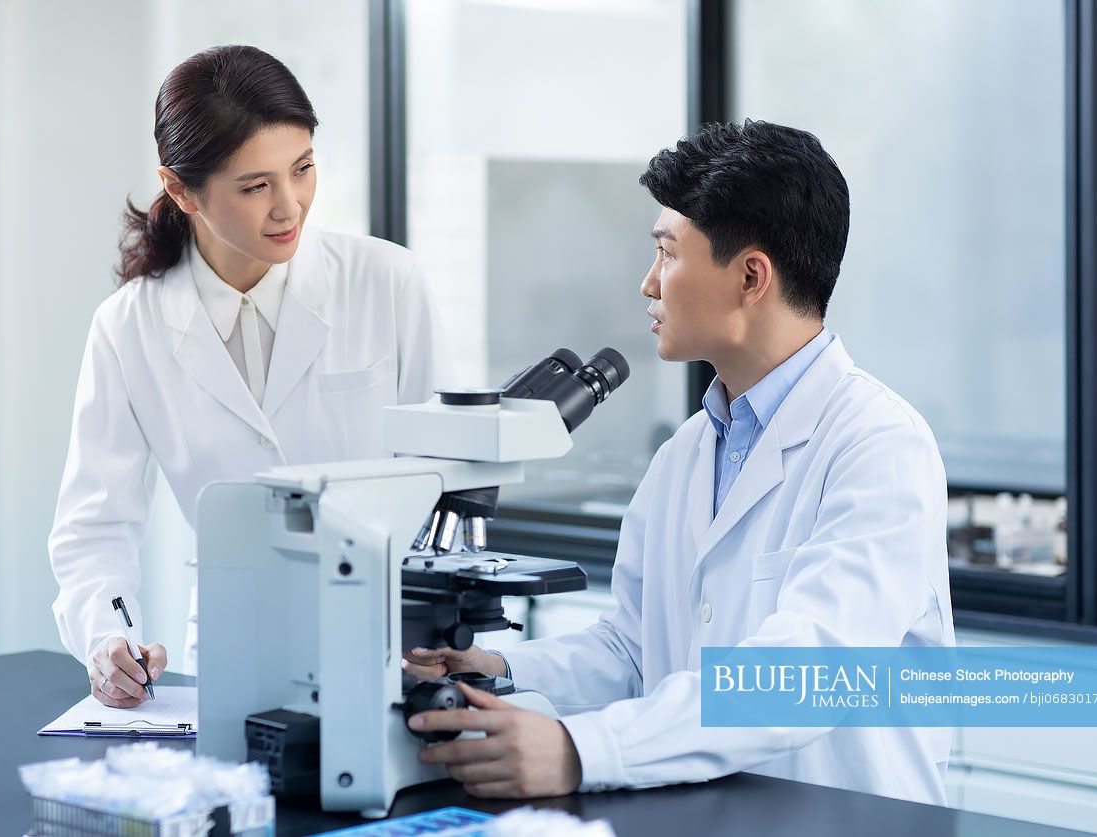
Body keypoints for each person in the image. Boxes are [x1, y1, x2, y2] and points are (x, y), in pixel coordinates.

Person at [403, 120, 954, 805]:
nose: (647, 283)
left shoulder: (878, 445)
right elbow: (633, 649)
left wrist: (584, 749)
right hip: (715, 813)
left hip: (846, 818)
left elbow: (803, 671)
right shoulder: (685, 453)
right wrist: (499, 665)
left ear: (751, 276)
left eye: (666, 254)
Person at [51, 45, 448, 708]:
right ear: (181, 189)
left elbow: (448, 477)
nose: (289, 207)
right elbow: (95, 523)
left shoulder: (388, 283)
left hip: (396, 646)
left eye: (302, 169)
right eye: (254, 186)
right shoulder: (129, 326)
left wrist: (435, 622)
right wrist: (108, 641)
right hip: (236, 655)